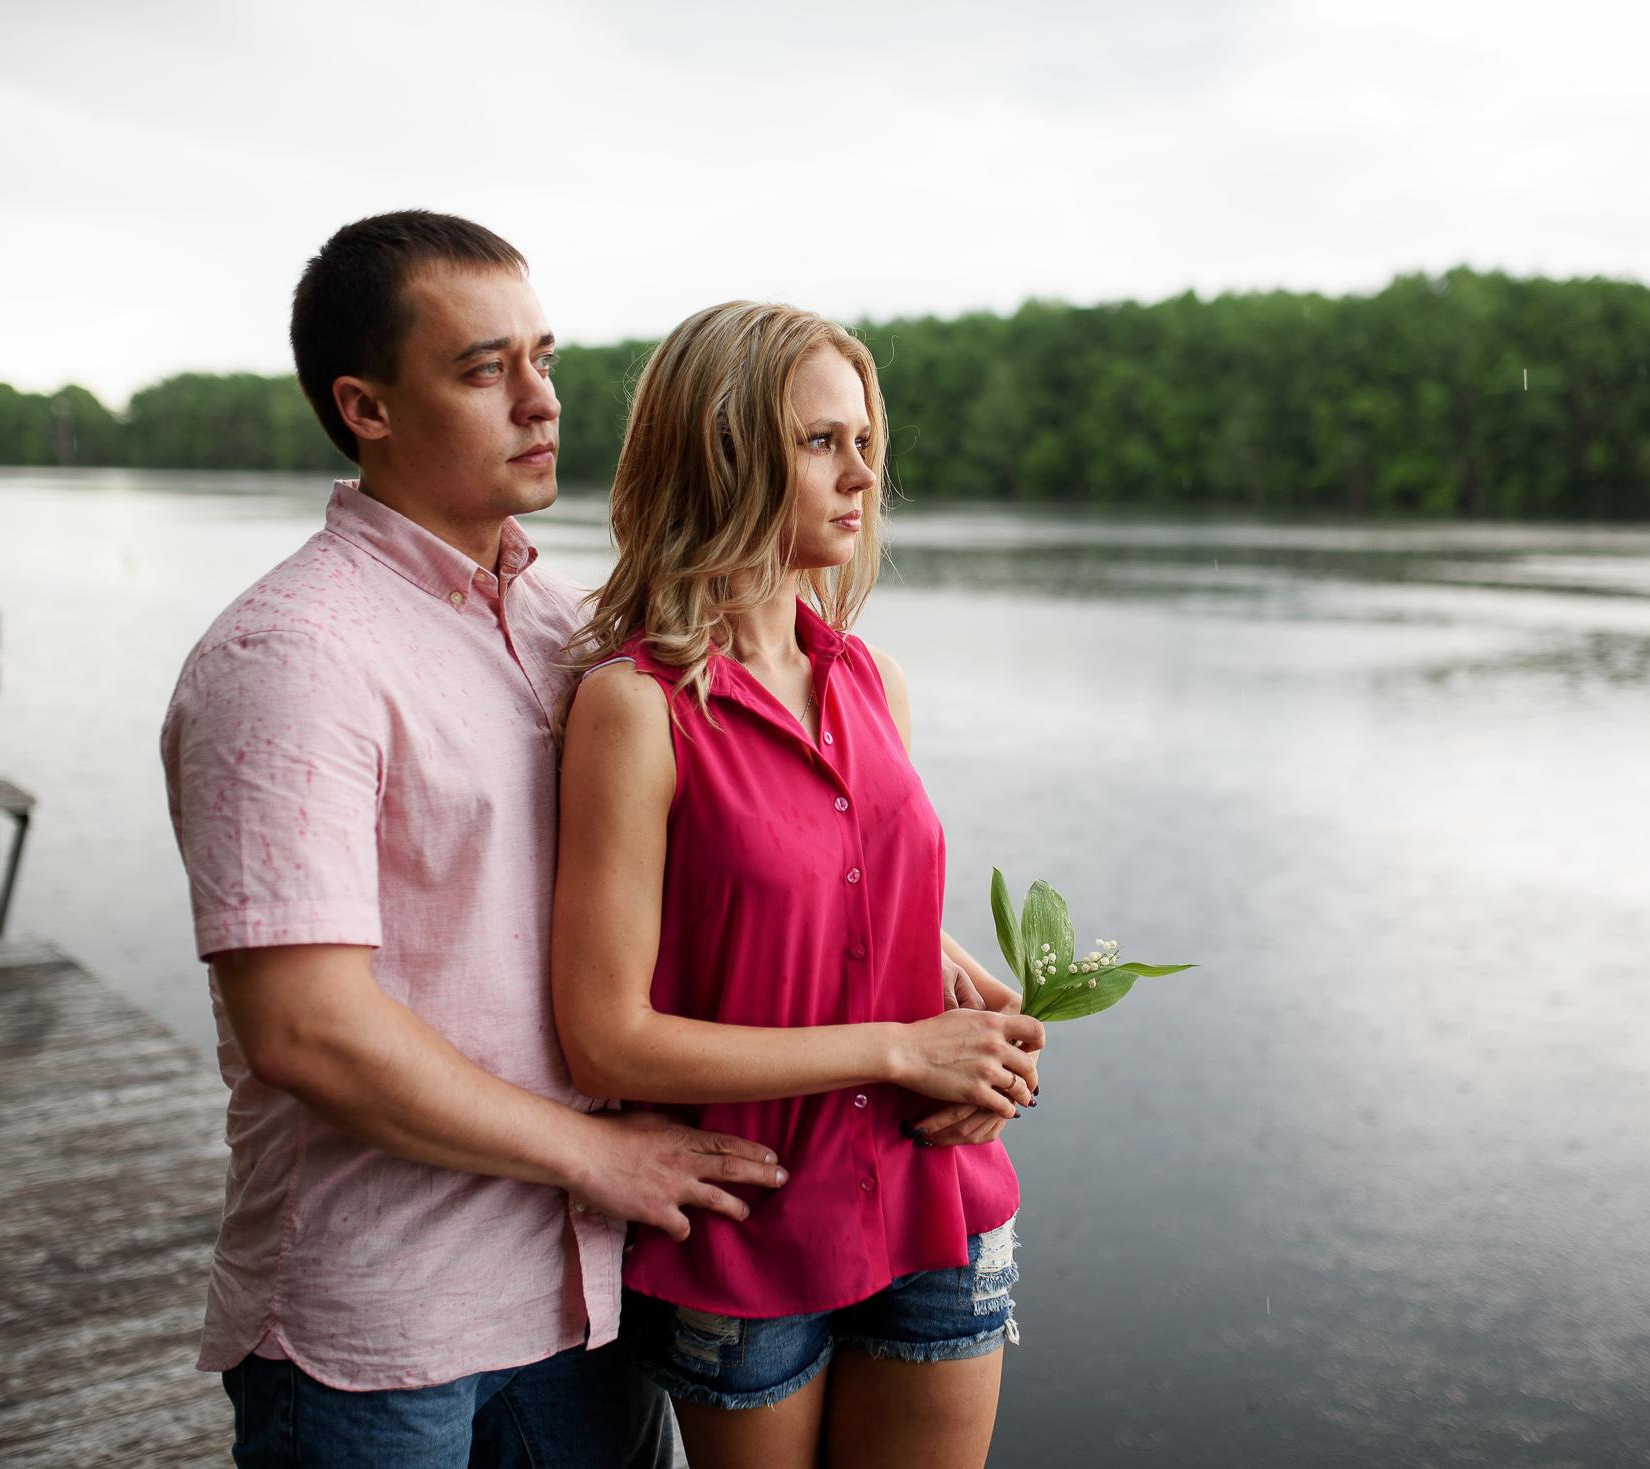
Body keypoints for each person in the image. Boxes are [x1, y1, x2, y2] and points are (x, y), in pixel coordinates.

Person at [159, 212, 787, 1469]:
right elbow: (306, 1027)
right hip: (382, 1329)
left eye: (543, 359)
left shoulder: (572, 628)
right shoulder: (291, 657)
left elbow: (726, 850)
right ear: (366, 406)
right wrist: (596, 1155)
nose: (540, 400)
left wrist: (907, 951)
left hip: (586, 1303)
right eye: (483, 368)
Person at [551, 300, 1046, 1469]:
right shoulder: (635, 708)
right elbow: (606, 1040)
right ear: (721, 451)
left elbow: (872, 928)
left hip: (939, 1202)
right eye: (822, 441)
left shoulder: (872, 678)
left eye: (866, 442)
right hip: (752, 1237)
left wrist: (979, 1045)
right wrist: (893, 1048)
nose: (862, 475)